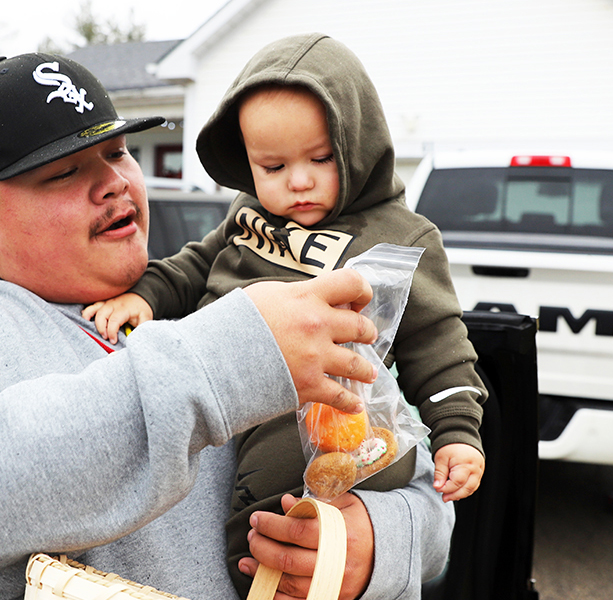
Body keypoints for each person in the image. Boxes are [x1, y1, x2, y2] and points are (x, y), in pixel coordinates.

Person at [0, 53, 455, 600]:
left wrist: (372, 543)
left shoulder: (213, 299)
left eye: (118, 152)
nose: (114, 183)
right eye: (65, 171)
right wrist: (232, 360)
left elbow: (426, 503)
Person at [82, 34, 487, 596]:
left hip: (328, 415)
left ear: (359, 144)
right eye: (272, 166)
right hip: (228, 392)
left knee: (276, 519)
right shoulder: (249, 214)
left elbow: (439, 346)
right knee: (248, 528)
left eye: (321, 159)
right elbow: (194, 266)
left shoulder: (401, 237)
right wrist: (146, 295)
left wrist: (457, 434)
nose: (297, 181)